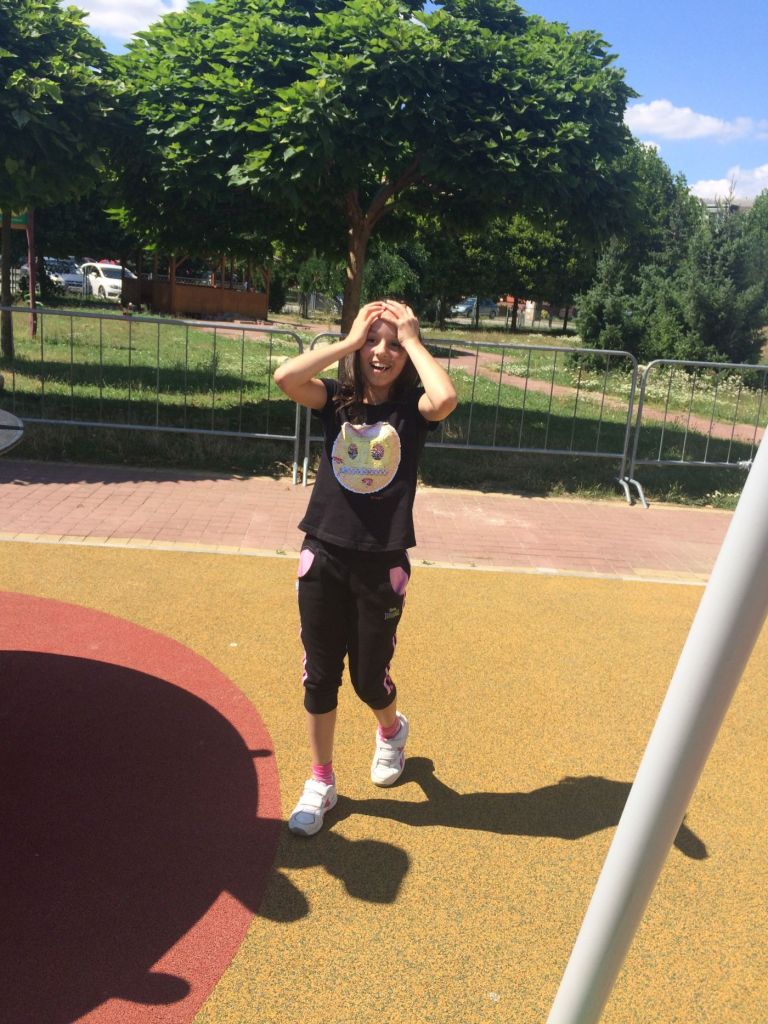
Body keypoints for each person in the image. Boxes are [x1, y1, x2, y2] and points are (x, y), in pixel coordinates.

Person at [273, 299, 458, 836]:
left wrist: (414, 339)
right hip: (323, 554)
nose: (382, 352)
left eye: (393, 344)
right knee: (319, 675)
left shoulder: (412, 412)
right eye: (373, 341)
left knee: (369, 680)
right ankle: (321, 781)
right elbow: (285, 377)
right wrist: (349, 341)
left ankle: (392, 729)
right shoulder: (336, 401)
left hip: (382, 566)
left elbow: (445, 398)